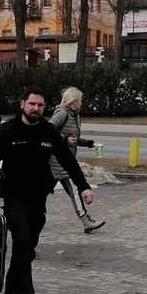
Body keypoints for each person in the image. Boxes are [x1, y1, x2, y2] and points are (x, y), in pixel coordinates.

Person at [0, 87, 95, 294]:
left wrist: (83, 187)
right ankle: (26, 292)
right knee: (23, 240)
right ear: (22, 104)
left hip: (38, 196)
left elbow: (68, 161)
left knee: (29, 243)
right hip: (13, 195)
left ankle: (12, 284)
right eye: (32, 104)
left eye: (40, 105)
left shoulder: (48, 131)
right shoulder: (8, 130)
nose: (36, 108)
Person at [48, 87, 106, 234]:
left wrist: (89, 143)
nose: (81, 103)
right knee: (75, 191)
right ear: (73, 100)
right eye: (80, 100)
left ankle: (26, 217)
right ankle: (86, 221)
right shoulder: (62, 113)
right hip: (58, 163)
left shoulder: (74, 115)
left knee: (41, 193)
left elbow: (73, 139)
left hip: (65, 161)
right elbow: (47, 132)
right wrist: (65, 140)